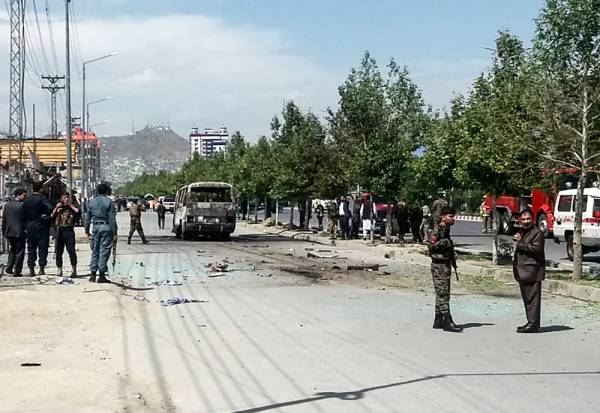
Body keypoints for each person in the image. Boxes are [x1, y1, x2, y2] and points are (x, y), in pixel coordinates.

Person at [428, 206, 462, 333]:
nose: (453, 219)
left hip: (445, 264)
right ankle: (448, 320)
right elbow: (430, 246)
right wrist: (443, 243)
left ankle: (438, 319)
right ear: (443, 217)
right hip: (438, 265)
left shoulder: (446, 230)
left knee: (442, 292)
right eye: (451, 216)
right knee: (443, 294)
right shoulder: (437, 230)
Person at [512, 209, 545, 333]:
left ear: (533, 219)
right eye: (523, 219)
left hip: (532, 271)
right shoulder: (523, 231)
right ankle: (530, 321)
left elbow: (536, 249)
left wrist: (520, 243)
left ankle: (533, 324)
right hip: (523, 271)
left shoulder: (537, 233)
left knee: (533, 299)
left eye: (528, 219)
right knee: (527, 298)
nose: (526, 221)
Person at [85, 183, 118, 283]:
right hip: (106, 227)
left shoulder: (91, 202)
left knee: (95, 250)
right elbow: (112, 218)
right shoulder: (109, 202)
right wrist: (115, 232)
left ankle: (93, 274)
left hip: (95, 227)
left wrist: (86, 230)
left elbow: (87, 218)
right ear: (106, 191)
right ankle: (102, 275)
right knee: (104, 251)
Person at [22, 182, 53, 276]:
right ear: (40, 189)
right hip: (41, 226)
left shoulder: (27, 200)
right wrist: (45, 215)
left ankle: (31, 269)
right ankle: (41, 268)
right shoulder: (42, 199)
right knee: (42, 248)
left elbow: (23, 214)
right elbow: (50, 207)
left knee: (31, 248)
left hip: (30, 227)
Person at [51, 193, 80, 277]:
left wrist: (70, 205)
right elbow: (51, 216)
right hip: (60, 231)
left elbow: (78, 212)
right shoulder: (58, 207)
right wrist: (56, 208)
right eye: (64, 198)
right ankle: (59, 269)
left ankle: (74, 270)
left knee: (71, 251)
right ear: (61, 199)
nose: (66, 199)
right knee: (59, 251)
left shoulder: (72, 207)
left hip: (69, 230)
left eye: (67, 197)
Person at [2, 188, 27, 276]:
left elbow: (4, 219)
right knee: (20, 251)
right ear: (18, 195)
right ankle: (17, 270)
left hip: (9, 231)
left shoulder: (7, 205)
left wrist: (4, 231)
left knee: (12, 250)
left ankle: (9, 268)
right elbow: (24, 219)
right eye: (24, 195)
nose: (25, 197)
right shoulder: (22, 206)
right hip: (19, 231)